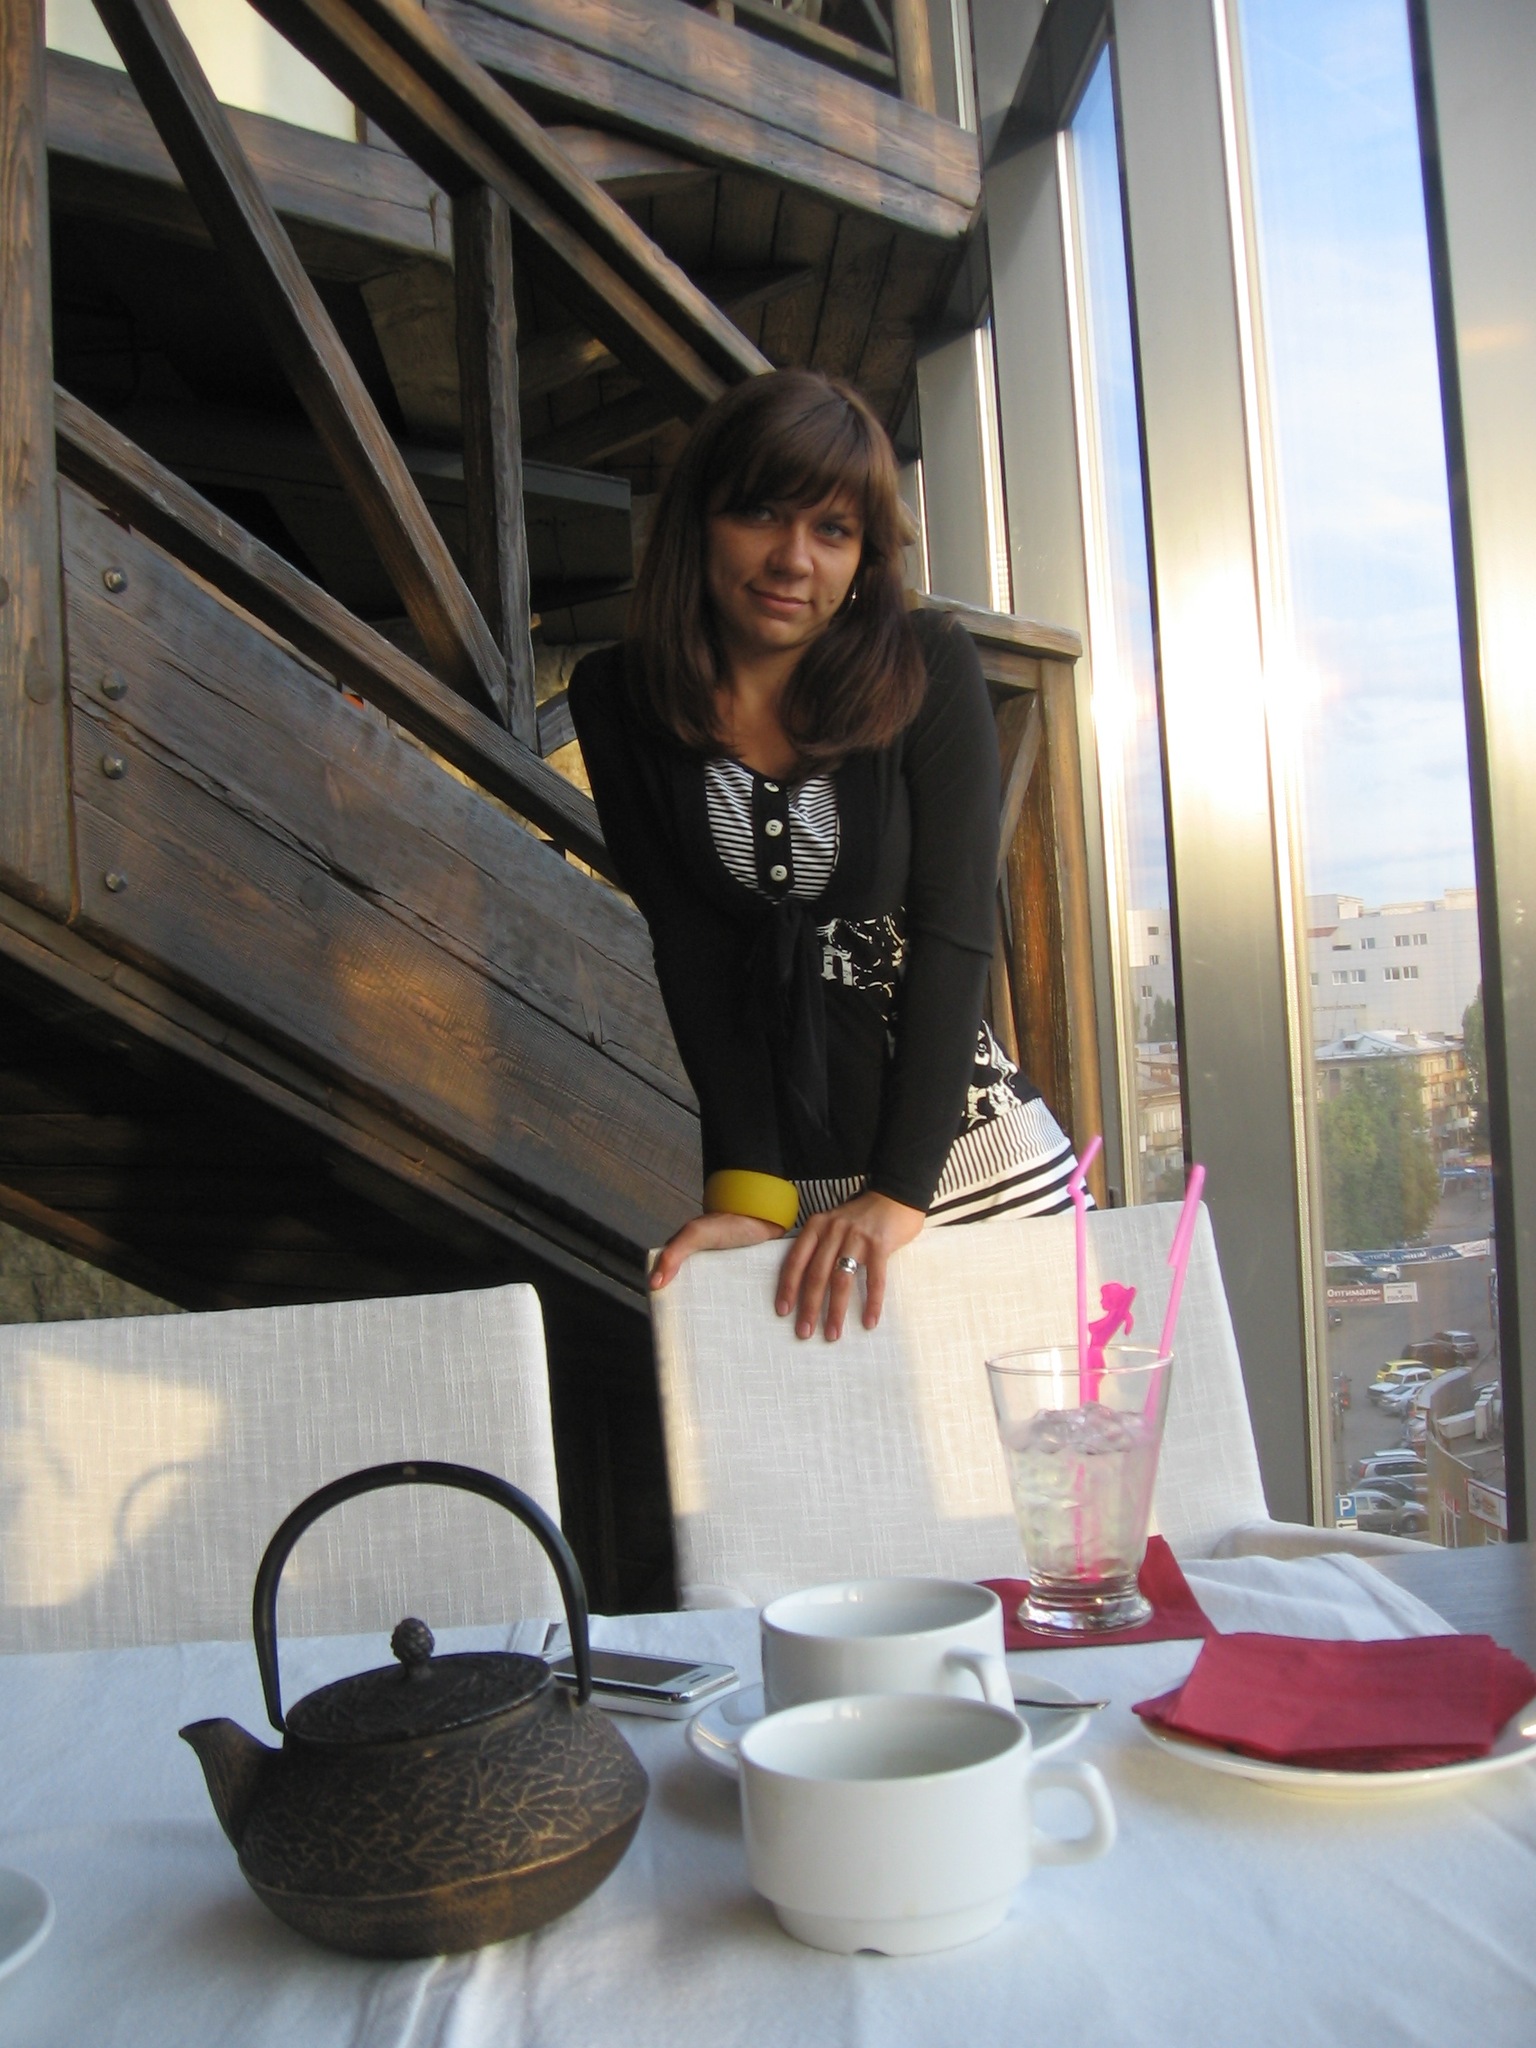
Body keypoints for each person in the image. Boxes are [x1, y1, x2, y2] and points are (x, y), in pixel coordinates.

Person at [568, 371, 1083, 1342]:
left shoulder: (926, 666)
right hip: (797, 1209)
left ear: (863, 557)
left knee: (1057, 1439)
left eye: (833, 530)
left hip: (972, 1170)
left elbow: (955, 938)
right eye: (760, 511)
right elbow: (693, 953)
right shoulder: (618, 700)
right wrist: (750, 1195)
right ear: (700, 521)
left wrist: (898, 1193)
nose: (793, 558)